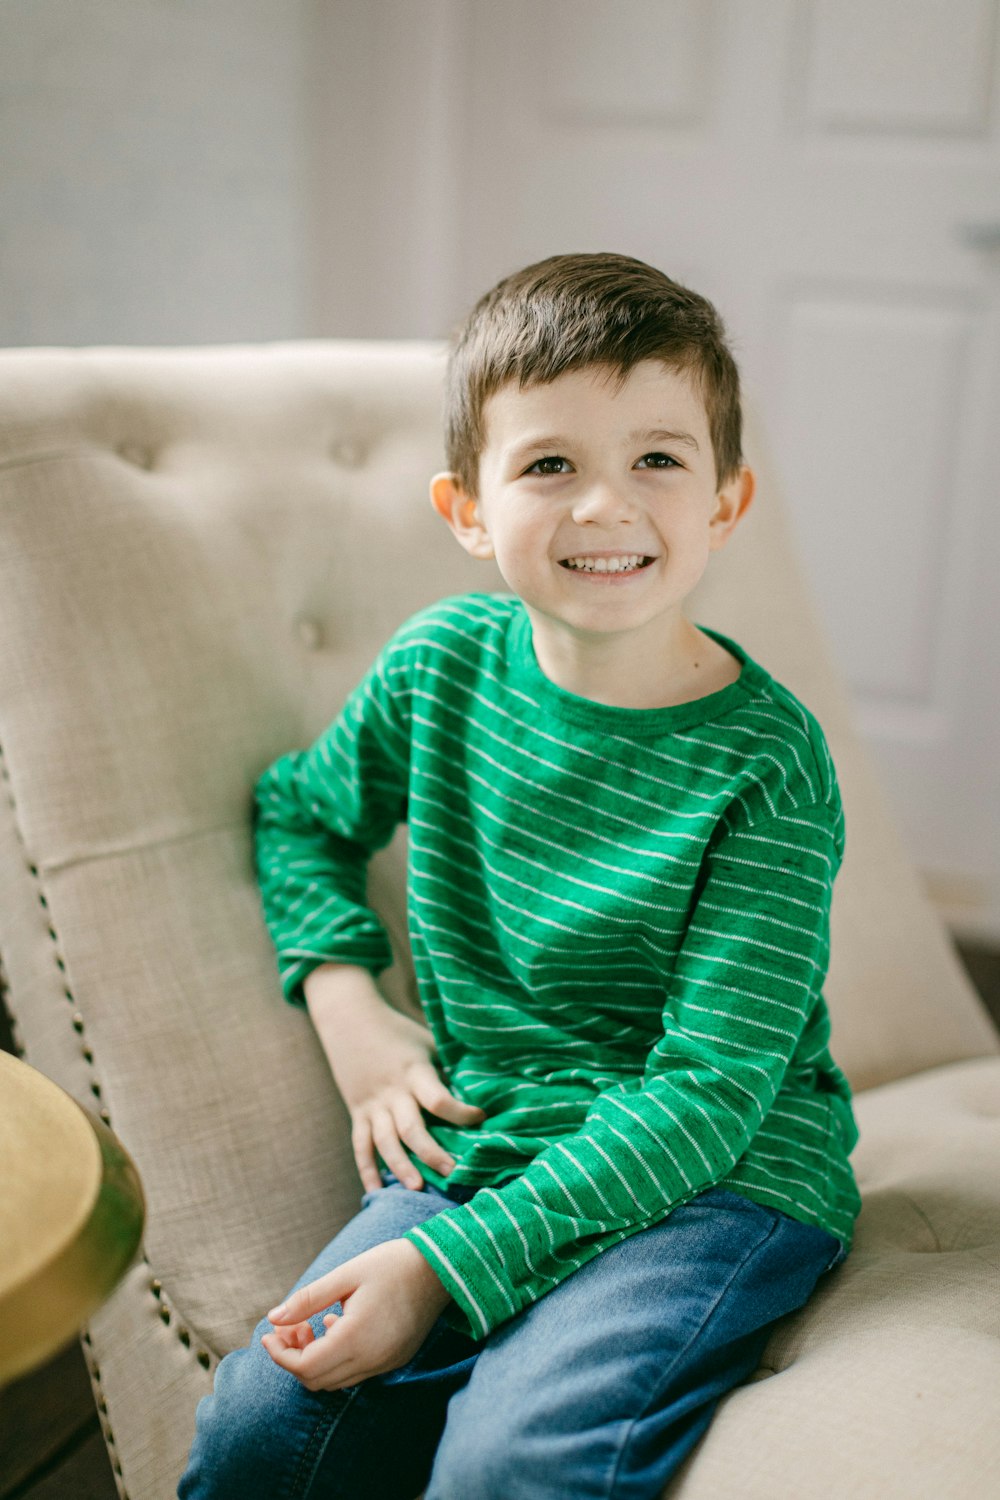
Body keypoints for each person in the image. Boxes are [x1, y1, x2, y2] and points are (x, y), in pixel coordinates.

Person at [178, 252, 862, 1500]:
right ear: (467, 508)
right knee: (258, 1436)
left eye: (657, 458)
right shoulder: (440, 667)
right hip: (490, 1140)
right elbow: (300, 813)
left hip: (716, 1178)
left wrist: (444, 1271)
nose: (605, 506)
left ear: (724, 501)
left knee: (514, 1462)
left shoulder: (767, 764)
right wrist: (348, 1004)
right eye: (550, 464)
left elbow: (710, 1093)